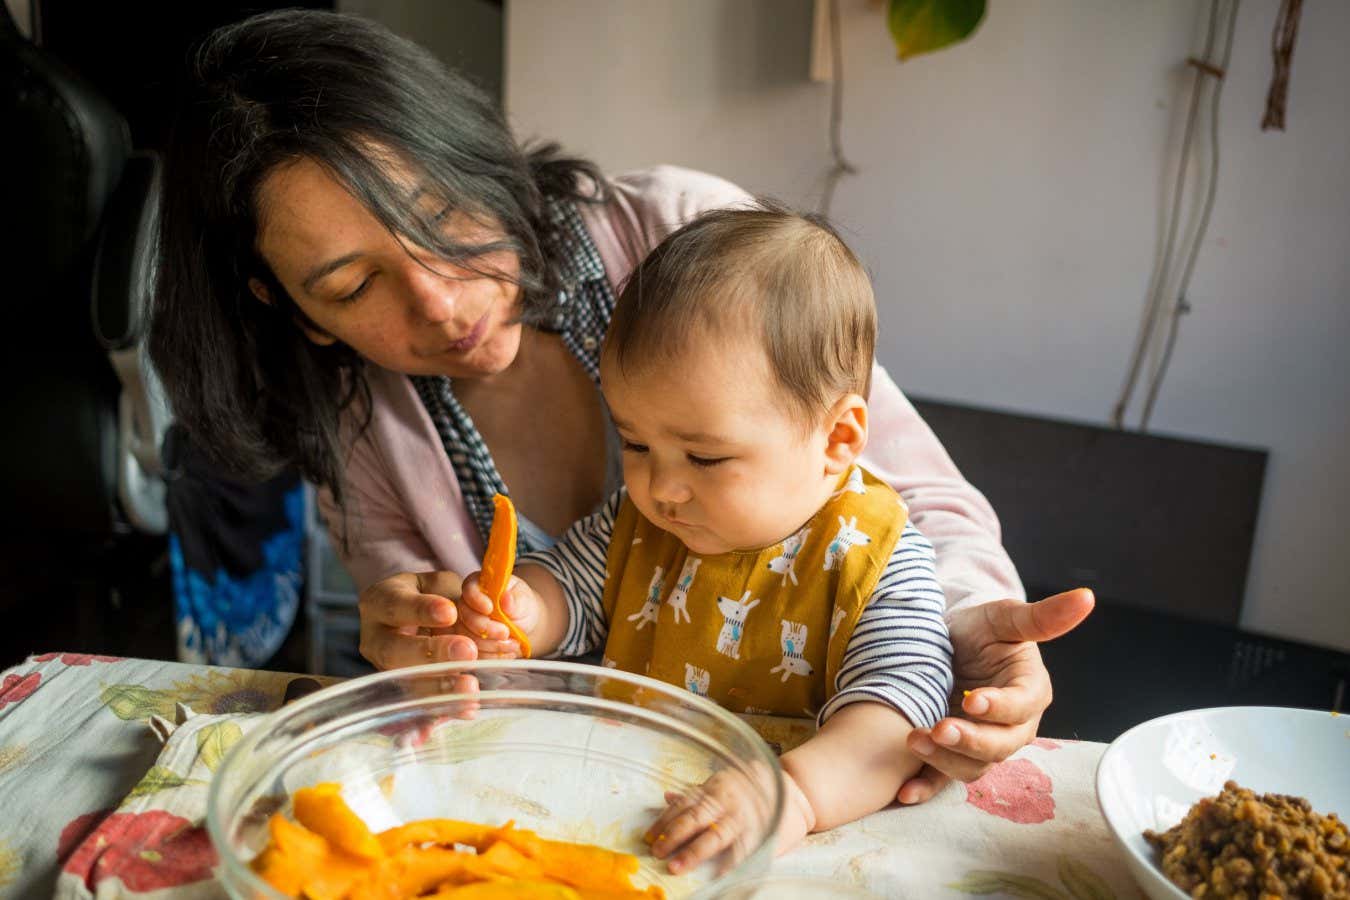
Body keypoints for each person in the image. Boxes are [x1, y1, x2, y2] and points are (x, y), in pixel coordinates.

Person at [147, 8, 1094, 808]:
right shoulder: (359, 430)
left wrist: (962, 629)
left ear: (475, 154)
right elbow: (497, 654)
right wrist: (443, 647)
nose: (441, 300)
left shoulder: (694, 243)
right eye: (355, 285)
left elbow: (919, 510)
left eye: (440, 218)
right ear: (290, 305)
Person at [454, 204, 954, 869]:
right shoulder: (644, 523)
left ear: (837, 439)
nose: (661, 487)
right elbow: (564, 589)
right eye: (634, 442)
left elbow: (896, 721)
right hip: (618, 811)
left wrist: (791, 796)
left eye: (705, 457)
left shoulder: (878, 558)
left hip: (792, 847)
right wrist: (519, 612)